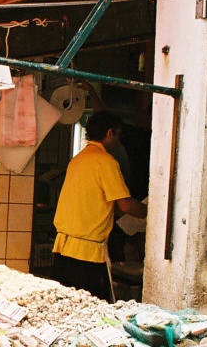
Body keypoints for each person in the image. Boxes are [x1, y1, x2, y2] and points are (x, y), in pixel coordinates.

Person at [52, 110, 147, 301]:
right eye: (118, 136)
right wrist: (152, 212)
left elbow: (98, 203)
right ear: (110, 133)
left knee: (67, 308)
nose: (119, 142)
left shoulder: (78, 160)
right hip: (86, 256)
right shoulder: (106, 162)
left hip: (62, 250)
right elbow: (126, 205)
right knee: (91, 310)